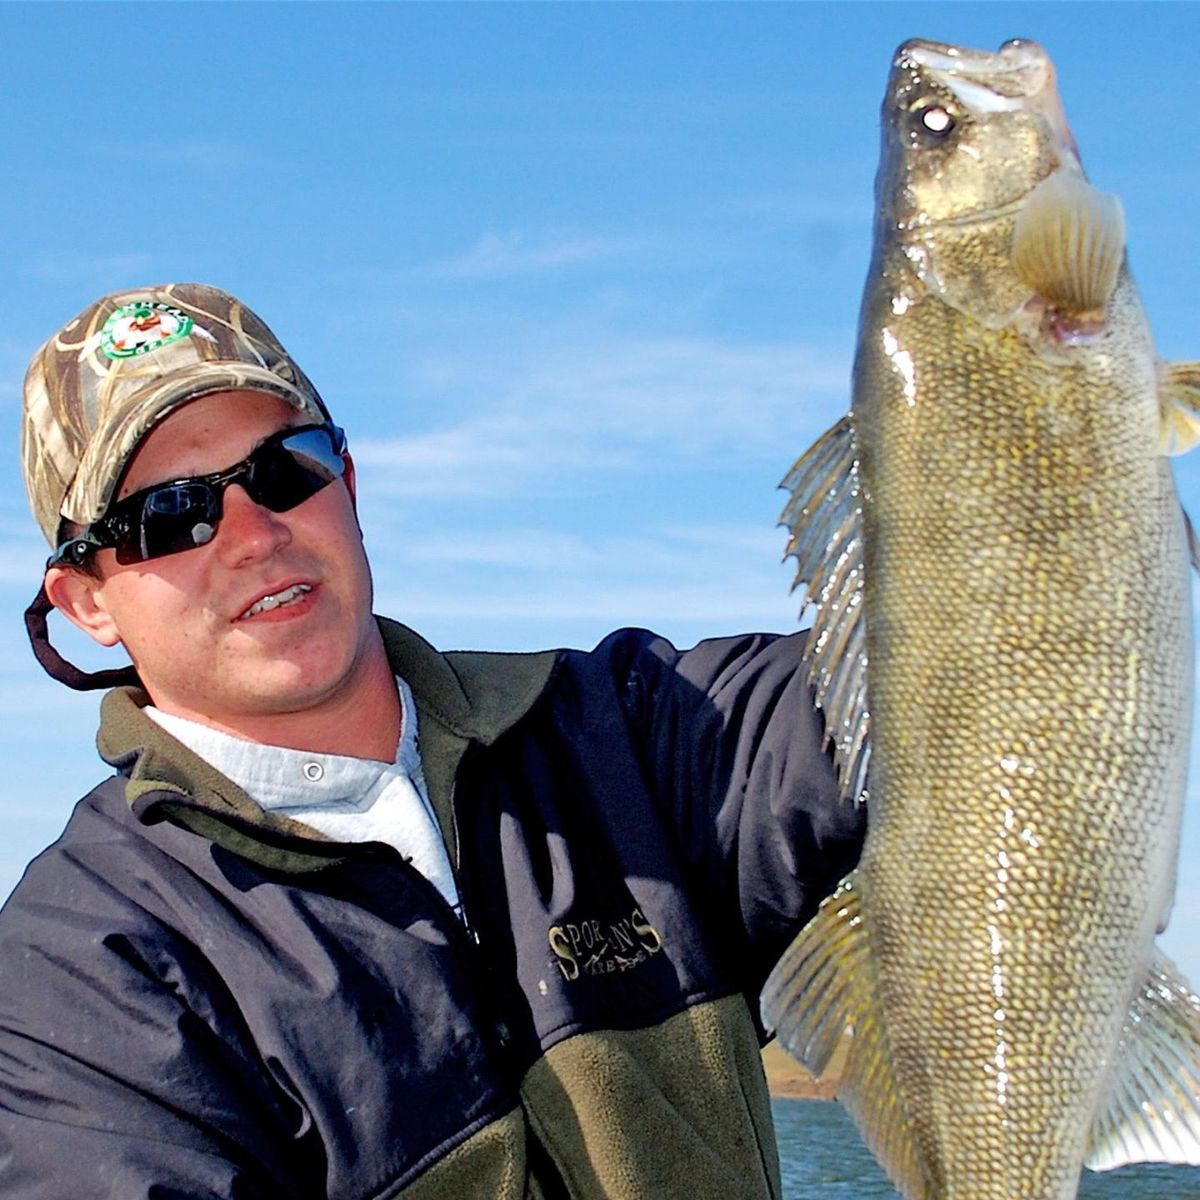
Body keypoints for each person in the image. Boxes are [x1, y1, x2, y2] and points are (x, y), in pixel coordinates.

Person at [0, 283, 865, 1198]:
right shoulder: (76, 982)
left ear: (347, 486)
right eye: (170, 515)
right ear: (85, 601)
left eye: (286, 469)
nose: (255, 534)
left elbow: (926, 677)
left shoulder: (633, 729)